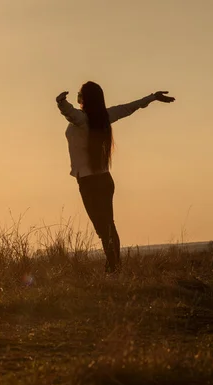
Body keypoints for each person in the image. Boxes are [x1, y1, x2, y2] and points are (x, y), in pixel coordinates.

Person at [56, 82, 175, 273]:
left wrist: (61, 102)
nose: (78, 99)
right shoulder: (104, 117)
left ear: (86, 100)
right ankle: (113, 266)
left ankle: (113, 267)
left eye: (80, 95)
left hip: (89, 182)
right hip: (104, 180)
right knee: (107, 226)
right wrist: (152, 97)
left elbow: (69, 112)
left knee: (103, 228)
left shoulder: (83, 119)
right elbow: (129, 108)